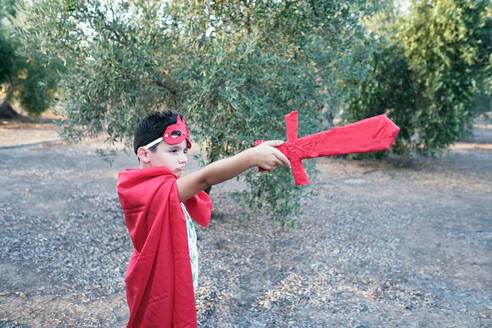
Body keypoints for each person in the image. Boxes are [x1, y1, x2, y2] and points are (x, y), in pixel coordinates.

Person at [117, 109, 289, 327]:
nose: (182, 160)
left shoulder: (165, 185)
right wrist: (249, 157)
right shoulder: (142, 191)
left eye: (184, 151)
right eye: (173, 151)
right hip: (155, 287)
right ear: (144, 154)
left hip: (169, 282)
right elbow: (204, 178)